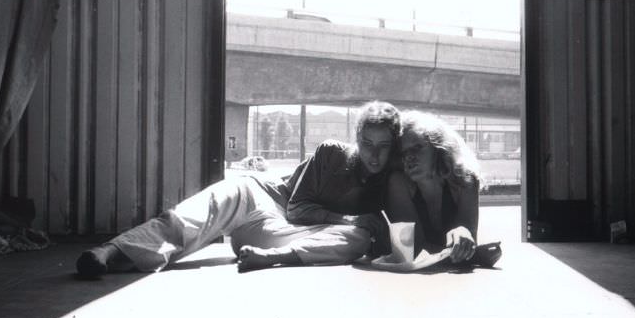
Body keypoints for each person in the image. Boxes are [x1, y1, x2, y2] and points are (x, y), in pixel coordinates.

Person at [76, 101, 400, 277]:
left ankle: (271, 258)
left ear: (394, 148)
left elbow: (385, 239)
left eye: (383, 147)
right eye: (366, 144)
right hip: (265, 197)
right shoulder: (332, 152)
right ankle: (112, 251)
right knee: (221, 195)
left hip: (280, 238)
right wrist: (352, 220)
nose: (374, 155)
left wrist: (365, 229)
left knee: (358, 239)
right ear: (356, 139)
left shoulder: (391, 182)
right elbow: (297, 208)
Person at [383, 110, 501, 267]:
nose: (409, 157)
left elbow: (466, 247)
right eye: (404, 152)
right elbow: (413, 250)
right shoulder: (399, 183)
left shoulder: (465, 179)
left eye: (417, 147)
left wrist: (464, 235)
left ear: (437, 147)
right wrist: (475, 256)